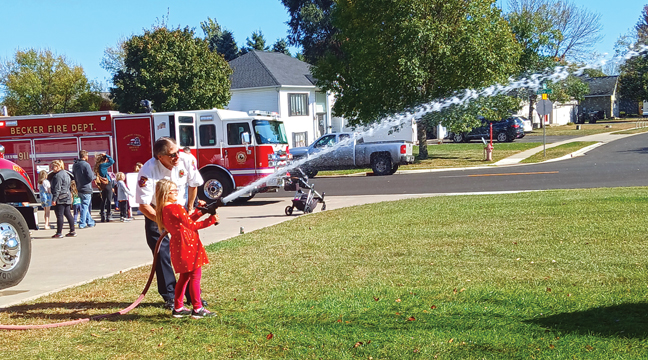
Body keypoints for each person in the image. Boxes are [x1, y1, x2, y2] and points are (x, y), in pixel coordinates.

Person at [135, 137, 206, 309]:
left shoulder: (187, 160)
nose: (177, 157)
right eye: (172, 155)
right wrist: (162, 222)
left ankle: (192, 295)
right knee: (162, 253)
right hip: (156, 212)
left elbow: (194, 183)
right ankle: (170, 296)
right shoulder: (148, 170)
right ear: (160, 157)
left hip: (180, 210)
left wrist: (190, 208)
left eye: (178, 152)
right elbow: (144, 205)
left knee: (187, 253)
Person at [155, 179, 217, 318]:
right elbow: (191, 226)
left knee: (185, 276)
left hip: (178, 244)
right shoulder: (175, 208)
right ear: (166, 193)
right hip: (188, 243)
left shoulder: (164, 209)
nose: (177, 192)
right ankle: (197, 308)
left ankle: (178, 307)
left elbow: (186, 221)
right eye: (173, 190)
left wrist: (200, 212)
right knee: (195, 276)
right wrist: (211, 220)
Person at [50, 160, 76, 238]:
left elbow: (57, 188)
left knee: (59, 215)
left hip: (60, 197)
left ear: (58, 166)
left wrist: (54, 199)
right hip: (67, 196)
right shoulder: (66, 174)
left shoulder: (58, 176)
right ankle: (72, 231)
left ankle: (59, 233)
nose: (52, 168)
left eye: (53, 167)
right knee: (68, 214)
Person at [72, 150, 96, 229]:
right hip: (86, 188)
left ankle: (90, 222)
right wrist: (95, 176)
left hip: (79, 187)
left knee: (84, 205)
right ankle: (82, 223)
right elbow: (90, 177)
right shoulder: (86, 165)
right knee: (85, 206)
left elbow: (73, 176)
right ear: (85, 156)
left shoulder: (75, 165)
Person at [94, 153, 115, 222]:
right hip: (107, 183)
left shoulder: (98, 166)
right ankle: (109, 215)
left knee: (103, 199)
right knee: (109, 200)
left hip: (103, 185)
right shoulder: (103, 165)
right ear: (105, 160)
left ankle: (102, 214)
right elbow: (112, 161)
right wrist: (106, 155)